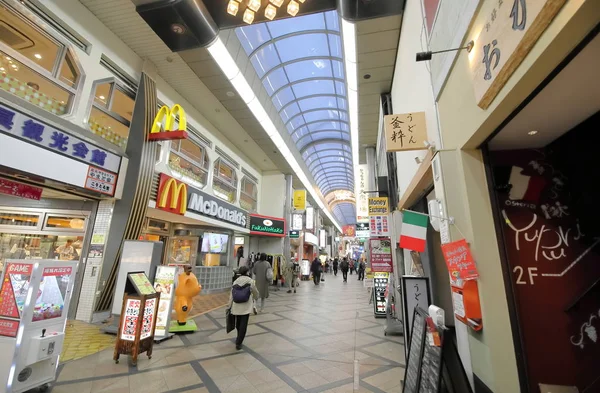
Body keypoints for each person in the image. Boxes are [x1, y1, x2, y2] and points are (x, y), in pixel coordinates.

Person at [228, 266, 259, 350]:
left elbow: (231, 295)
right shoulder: (250, 281)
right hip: (246, 306)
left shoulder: (235, 282)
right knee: (243, 324)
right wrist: (256, 297)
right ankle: (239, 342)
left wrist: (229, 306)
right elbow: (255, 292)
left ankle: (238, 337)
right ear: (247, 272)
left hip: (236, 306)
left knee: (238, 323)